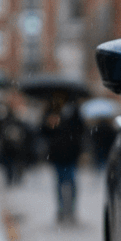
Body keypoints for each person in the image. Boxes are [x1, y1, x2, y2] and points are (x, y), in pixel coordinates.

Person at [44, 94, 85, 222]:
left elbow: (81, 130)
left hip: (71, 152)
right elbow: (43, 132)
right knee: (59, 181)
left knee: (71, 181)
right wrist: (50, 124)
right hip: (56, 153)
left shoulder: (74, 110)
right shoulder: (50, 110)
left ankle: (71, 209)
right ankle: (61, 209)